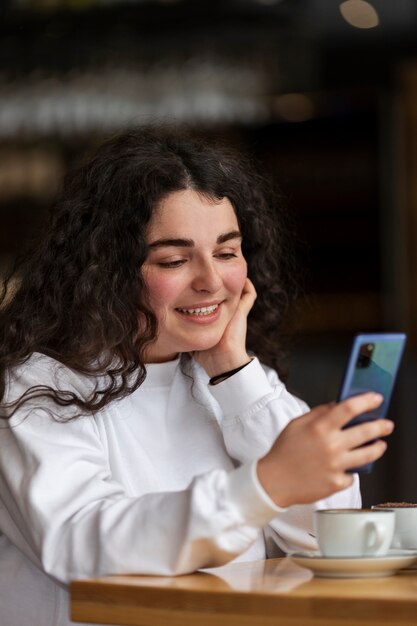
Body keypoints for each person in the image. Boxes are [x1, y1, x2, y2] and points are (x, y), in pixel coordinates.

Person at [0, 126, 392, 626]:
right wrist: (263, 486)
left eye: (227, 252)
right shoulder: (37, 387)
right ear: (105, 270)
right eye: (174, 259)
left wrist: (235, 373)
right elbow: (84, 544)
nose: (210, 281)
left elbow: (330, 536)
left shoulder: (235, 378)